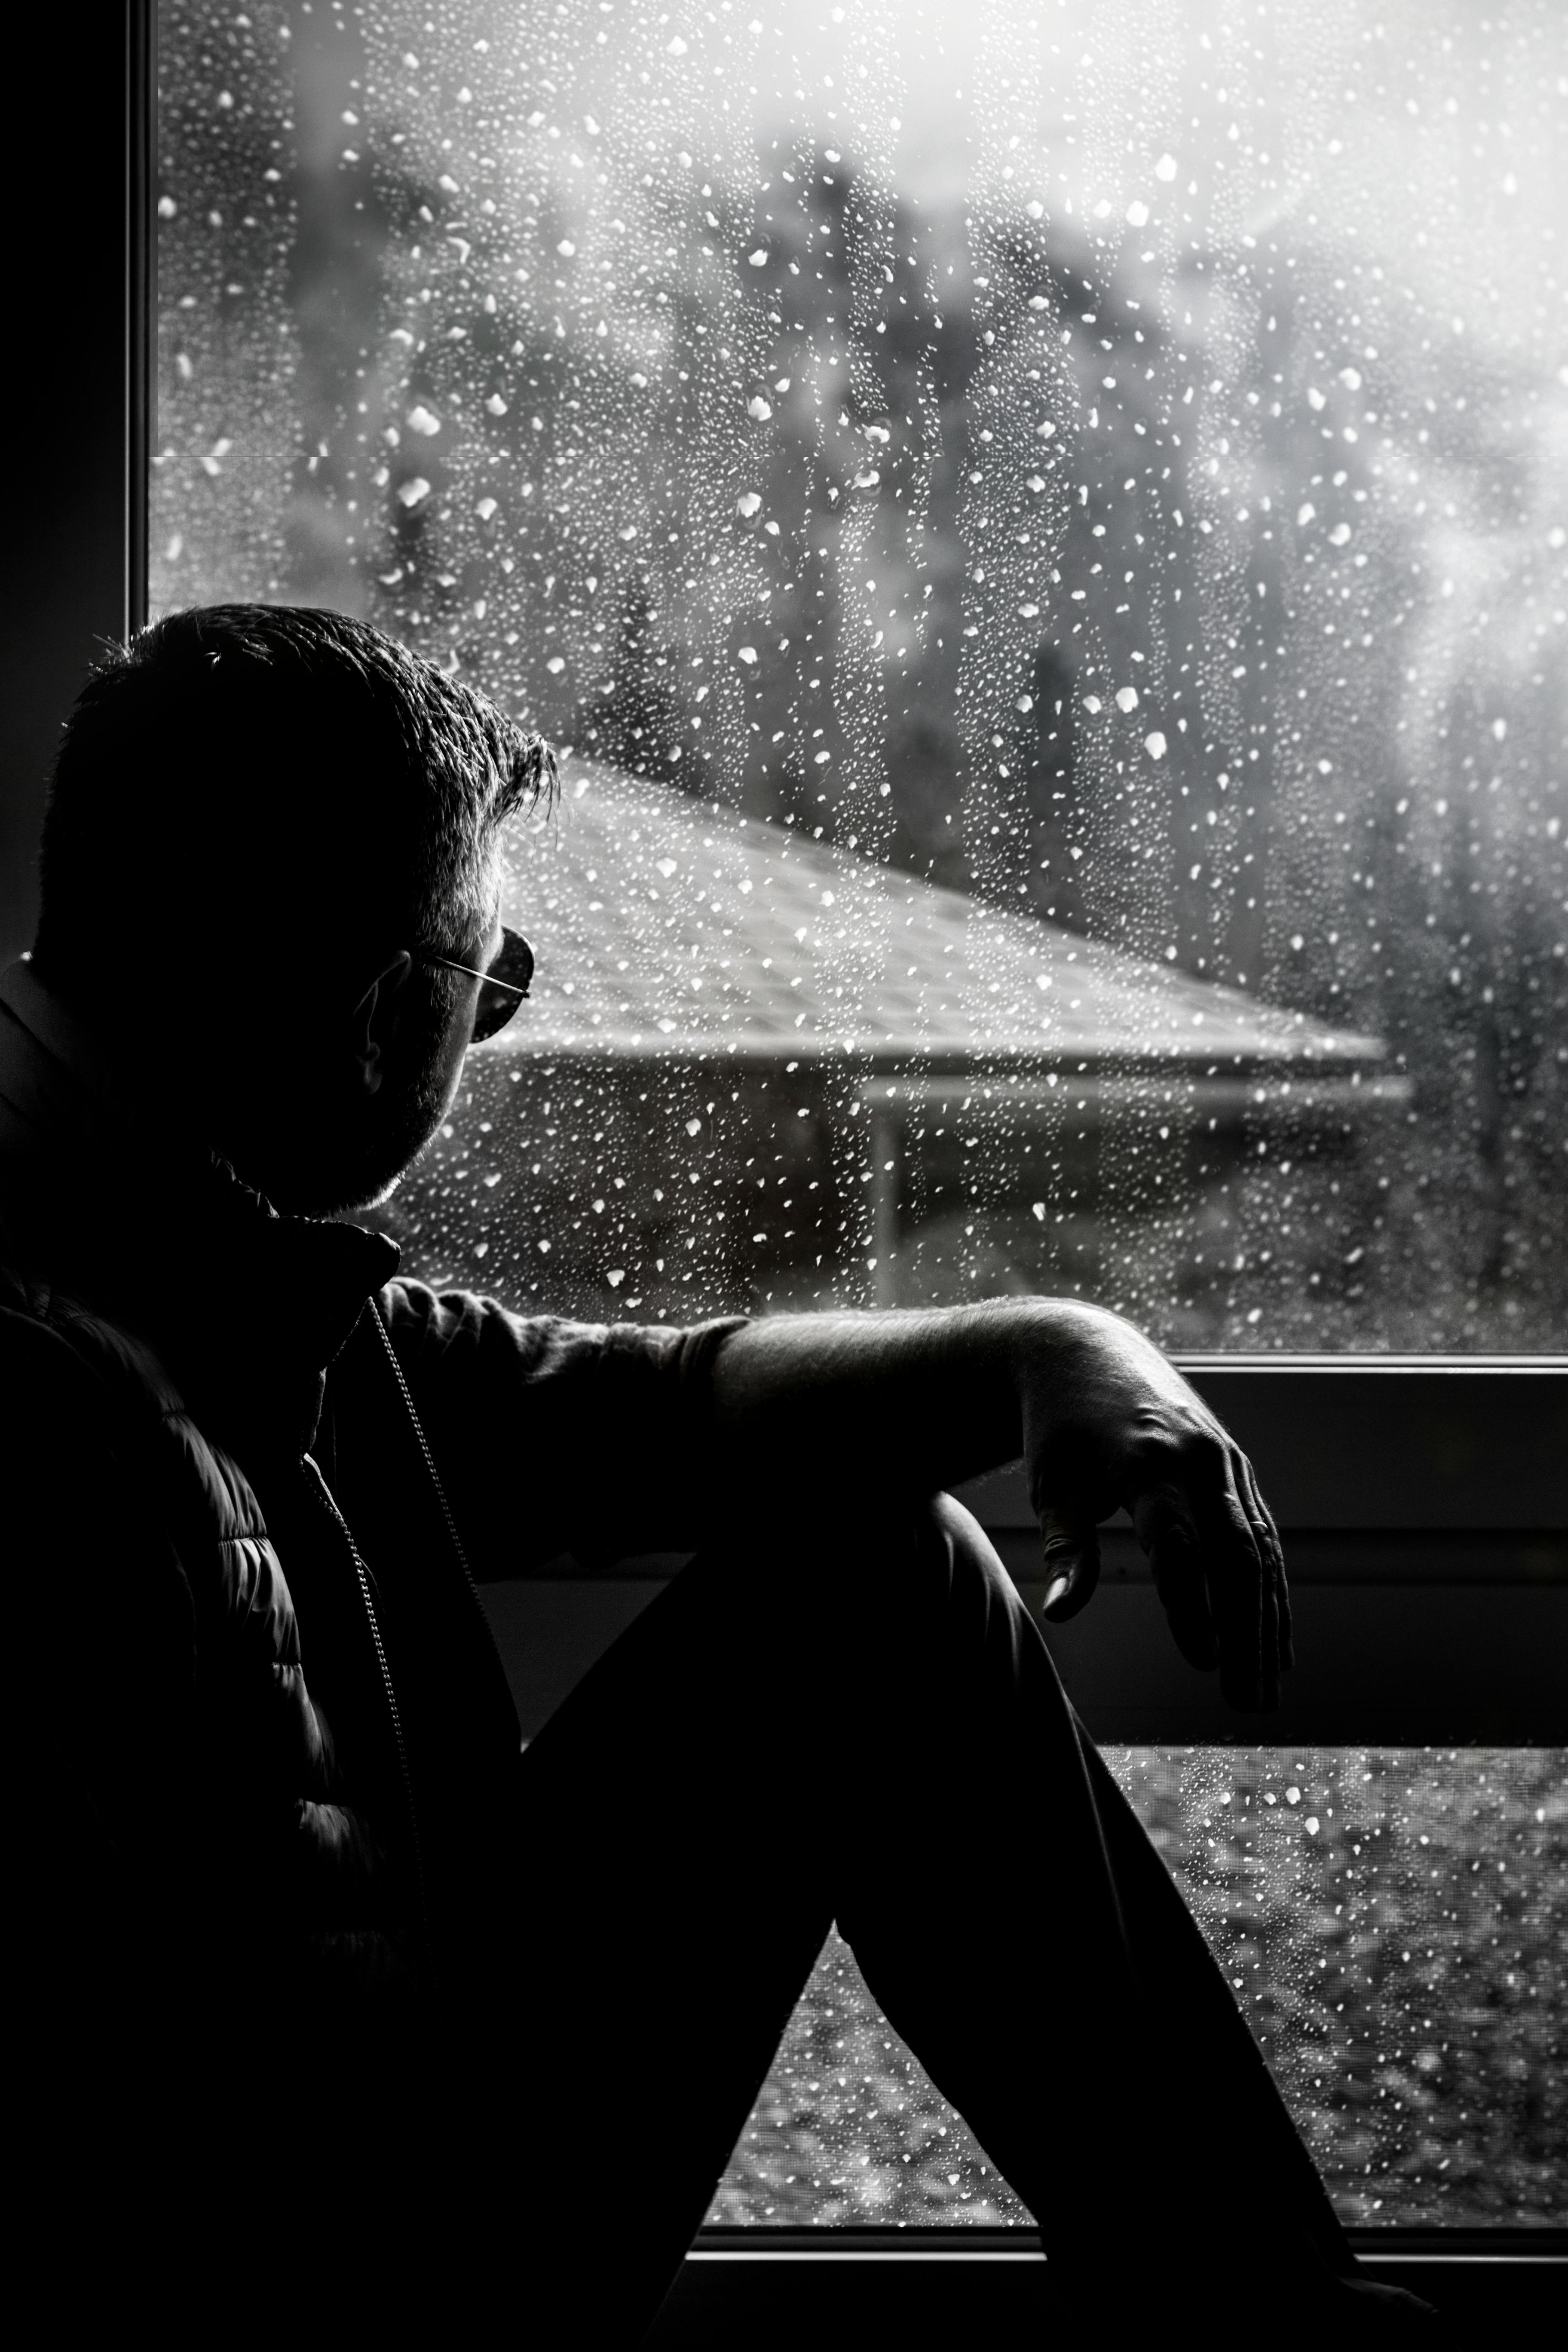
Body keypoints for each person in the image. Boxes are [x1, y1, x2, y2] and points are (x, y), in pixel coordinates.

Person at [0, 605, 1439, 2342]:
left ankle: (1268, 2318)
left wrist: (1055, 1348)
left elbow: (658, 1408)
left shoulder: (195, 1252)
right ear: (390, 1013)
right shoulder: (49, 1399)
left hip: (355, 2179)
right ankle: (1274, 2324)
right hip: (327, 2302)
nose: (487, 1030)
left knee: (868, 1574)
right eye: (493, 980)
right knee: (874, 1593)